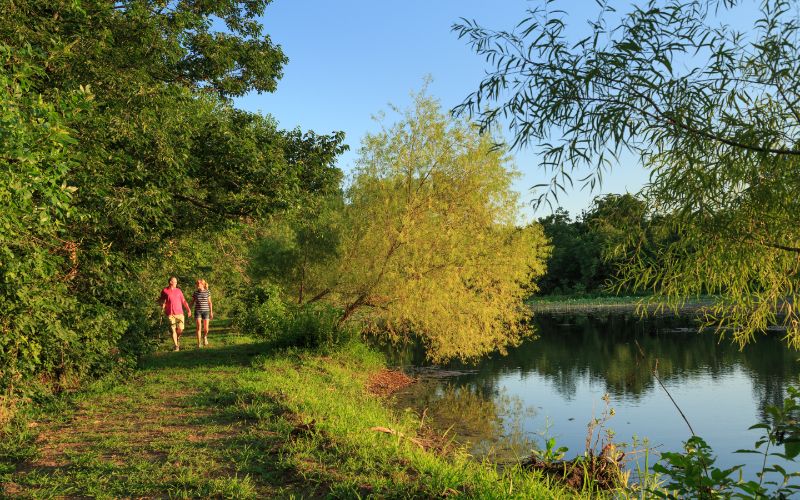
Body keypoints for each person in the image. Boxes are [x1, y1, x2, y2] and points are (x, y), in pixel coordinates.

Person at [159, 276, 191, 351]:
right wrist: (162, 304)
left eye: (176, 282)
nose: (176, 283)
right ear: (170, 282)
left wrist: (188, 310)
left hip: (179, 312)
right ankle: (176, 346)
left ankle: (177, 337)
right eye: (175, 281)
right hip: (170, 313)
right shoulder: (165, 291)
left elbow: (183, 301)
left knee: (180, 329)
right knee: (173, 330)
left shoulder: (179, 291)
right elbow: (161, 300)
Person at [189, 279, 213, 347]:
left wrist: (211, 312)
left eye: (198, 284)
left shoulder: (207, 292)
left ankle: (205, 337)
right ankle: (199, 343)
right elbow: (192, 302)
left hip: (206, 311)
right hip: (198, 311)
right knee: (199, 327)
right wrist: (189, 309)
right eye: (196, 284)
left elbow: (209, 302)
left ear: (202, 284)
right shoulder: (195, 293)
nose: (197, 285)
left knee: (206, 329)